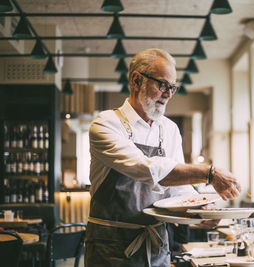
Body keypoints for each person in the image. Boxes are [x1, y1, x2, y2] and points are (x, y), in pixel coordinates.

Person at [84, 48, 241, 267]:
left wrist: (200, 211)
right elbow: (145, 168)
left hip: (156, 245)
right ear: (136, 80)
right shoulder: (106, 124)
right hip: (110, 246)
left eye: (172, 87)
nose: (168, 94)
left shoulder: (169, 130)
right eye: (162, 85)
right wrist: (208, 173)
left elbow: (177, 191)